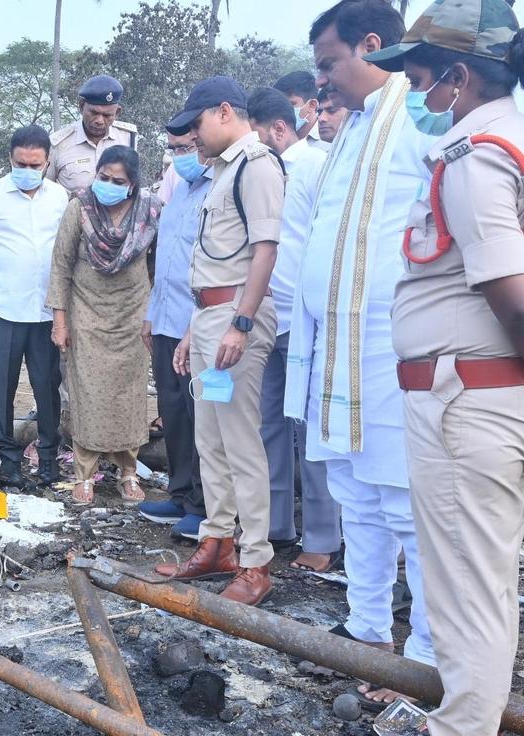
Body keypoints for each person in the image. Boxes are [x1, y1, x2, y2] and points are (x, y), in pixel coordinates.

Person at [367, 1, 524, 731]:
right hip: (474, 393)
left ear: (460, 77)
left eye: (423, 79)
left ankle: (461, 729)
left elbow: (511, 294)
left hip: (469, 399)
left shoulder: (477, 153)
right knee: (475, 581)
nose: (416, 96)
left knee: (468, 587)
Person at [285, 0, 437, 705]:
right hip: (339, 349)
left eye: (329, 63)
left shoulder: (423, 112)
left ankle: (429, 658)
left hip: (394, 344)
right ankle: (370, 632)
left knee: (411, 504)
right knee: (359, 496)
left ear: (371, 45)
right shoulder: (353, 127)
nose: (322, 81)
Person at [155, 76, 284, 607]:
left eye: (197, 125)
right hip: (209, 317)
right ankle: (217, 543)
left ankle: (256, 562)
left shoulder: (257, 166)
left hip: (236, 318)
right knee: (211, 438)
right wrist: (192, 330)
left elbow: (265, 250)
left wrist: (242, 323)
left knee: (240, 442)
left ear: (225, 111)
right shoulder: (222, 172)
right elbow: (210, 262)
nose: (194, 139)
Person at [246, 87, 343, 573]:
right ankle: (276, 525)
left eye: (258, 135)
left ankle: (323, 537)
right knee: (269, 428)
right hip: (268, 317)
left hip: (306, 321)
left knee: (310, 434)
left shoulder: (315, 164)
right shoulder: (264, 170)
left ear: (278, 129)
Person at [47, 145, 159, 505]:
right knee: (88, 394)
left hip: (133, 318)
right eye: (103, 177)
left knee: (130, 397)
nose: (108, 185)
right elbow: (61, 266)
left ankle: (128, 473)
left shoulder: (151, 211)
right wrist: (59, 321)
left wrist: (155, 314)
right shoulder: (79, 208)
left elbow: (159, 266)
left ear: (132, 184)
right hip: (87, 314)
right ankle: (85, 475)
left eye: (118, 181)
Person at [0, 125, 68, 488]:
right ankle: (9, 459)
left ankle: (49, 459)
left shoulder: (60, 197)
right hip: (4, 308)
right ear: (10, 158)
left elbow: (66, 250)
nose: (28, 169)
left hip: (45, 310)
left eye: (35, 164)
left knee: (47, 386)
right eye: (21, 162)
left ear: (47, 162)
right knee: (2, 386)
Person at [138, 132, 211, 540]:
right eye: (177, 149)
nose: (182, 156)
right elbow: (165, 257)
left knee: (202, 416)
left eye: (189, 148)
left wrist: (192, 324)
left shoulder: (219, 188)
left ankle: (204, 505)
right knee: (175, 414)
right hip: (165, 318)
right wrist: (151, 314)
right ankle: (180, 493)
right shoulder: (180, 189)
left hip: (196, 322)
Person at [47, 75, 139, 190]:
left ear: (117, 112)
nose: (99, 121)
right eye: (94, 113)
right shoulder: (58, 144)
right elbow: (45, 190)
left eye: (107, 115)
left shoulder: (127, 137)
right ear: (81, 107)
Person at [273, 71, 331, 150]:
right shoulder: (277, 142)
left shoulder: (329, 140)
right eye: (279, 106)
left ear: (311, 105)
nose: (283, 111)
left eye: (290, 105)